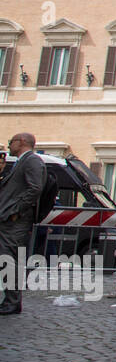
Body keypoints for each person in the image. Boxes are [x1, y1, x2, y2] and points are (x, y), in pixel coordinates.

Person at [0, 132, 46, 314]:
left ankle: (12, 301)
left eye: (11, 142)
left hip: (15, 223)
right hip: (11, 222)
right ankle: (10, 300)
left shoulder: (32, 161)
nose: (9, 145)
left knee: (9, 261)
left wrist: (14, 211)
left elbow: (35, 189)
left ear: (22, 142)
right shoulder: (23, 161)